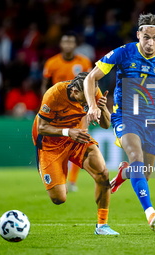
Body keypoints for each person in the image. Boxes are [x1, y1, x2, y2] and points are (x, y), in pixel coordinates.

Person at [84, 13, 155, 232]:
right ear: (138, 34)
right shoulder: (123, 52)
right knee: (135, 156)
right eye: (146, 37)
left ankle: (124, 173)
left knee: (143, 173)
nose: (150, 42)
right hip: (126, 115)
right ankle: (151, 212)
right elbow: (91, 78)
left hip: (154, 120)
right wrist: (92, 106)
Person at [32, 72, 118, 235]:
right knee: (59, 199)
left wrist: (103, 109)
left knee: (103, 173)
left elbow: (106, 125)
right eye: (86, 100)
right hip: (51, 143)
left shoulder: (92, 91)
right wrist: (67, 132)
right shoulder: (54, 93)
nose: (88, 103)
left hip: (77, 136)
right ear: (74, 91)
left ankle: (102, 226)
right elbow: (41, 128)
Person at [42, 31, 92, 192]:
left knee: (82, 138)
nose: (68, 45)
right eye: (65, 42)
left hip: (79, 109)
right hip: (58, 110)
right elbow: (45, 84)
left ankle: (72, 181)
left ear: (75, 45)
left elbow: (91, 84)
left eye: (71, 42)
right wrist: (44, 103)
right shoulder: (52, 63)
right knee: (60, 141)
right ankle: (59, 177)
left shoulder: (84, 62)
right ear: (61, 45)